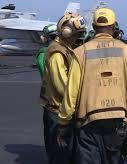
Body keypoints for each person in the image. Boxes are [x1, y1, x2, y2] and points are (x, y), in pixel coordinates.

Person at [57, 7, 127, 164]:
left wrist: (63, 123)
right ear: (113, 27)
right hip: (118, 121)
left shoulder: (80, 52)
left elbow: (71, 93)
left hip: (88, 122)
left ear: (93, 27)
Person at [41, 12, 86, 164]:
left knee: (71, 154)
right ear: (66, 32)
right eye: (76, 34)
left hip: (66, 110)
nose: (78, 38)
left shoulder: (67, 48)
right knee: (60, 156)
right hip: (58, 112)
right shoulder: (57, 53)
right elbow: (62, 86)